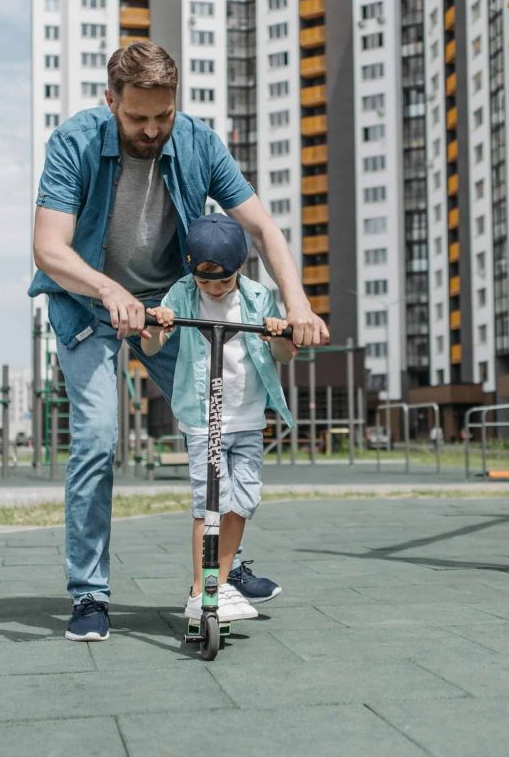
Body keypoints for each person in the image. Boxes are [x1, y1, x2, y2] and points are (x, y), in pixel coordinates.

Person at [29, 41, 329, 642]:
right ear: (110, 101)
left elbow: (263, 228)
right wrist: (111, 290)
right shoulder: (75, 142)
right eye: (137, 118)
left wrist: (296, 300)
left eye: (162, 116)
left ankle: (222, 568)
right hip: (89, 304)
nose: (151, 129)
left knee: (228, 422)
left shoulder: (195, 142)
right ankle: (90, 592)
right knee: (95, 439)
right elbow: (50, 248)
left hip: (170, 309)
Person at [142, 214, 297, 621]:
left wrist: (277, 335)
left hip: (247, 418)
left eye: (222, 282)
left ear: (239, 270)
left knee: (243, 500)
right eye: (205, 281)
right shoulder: (181, 294)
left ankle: (222, 584)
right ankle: (200, 589)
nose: (213, 289)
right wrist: (158, 325)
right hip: (203, 419)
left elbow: (282, 356)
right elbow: (155, 347)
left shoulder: (259, 299)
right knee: (209, 500)